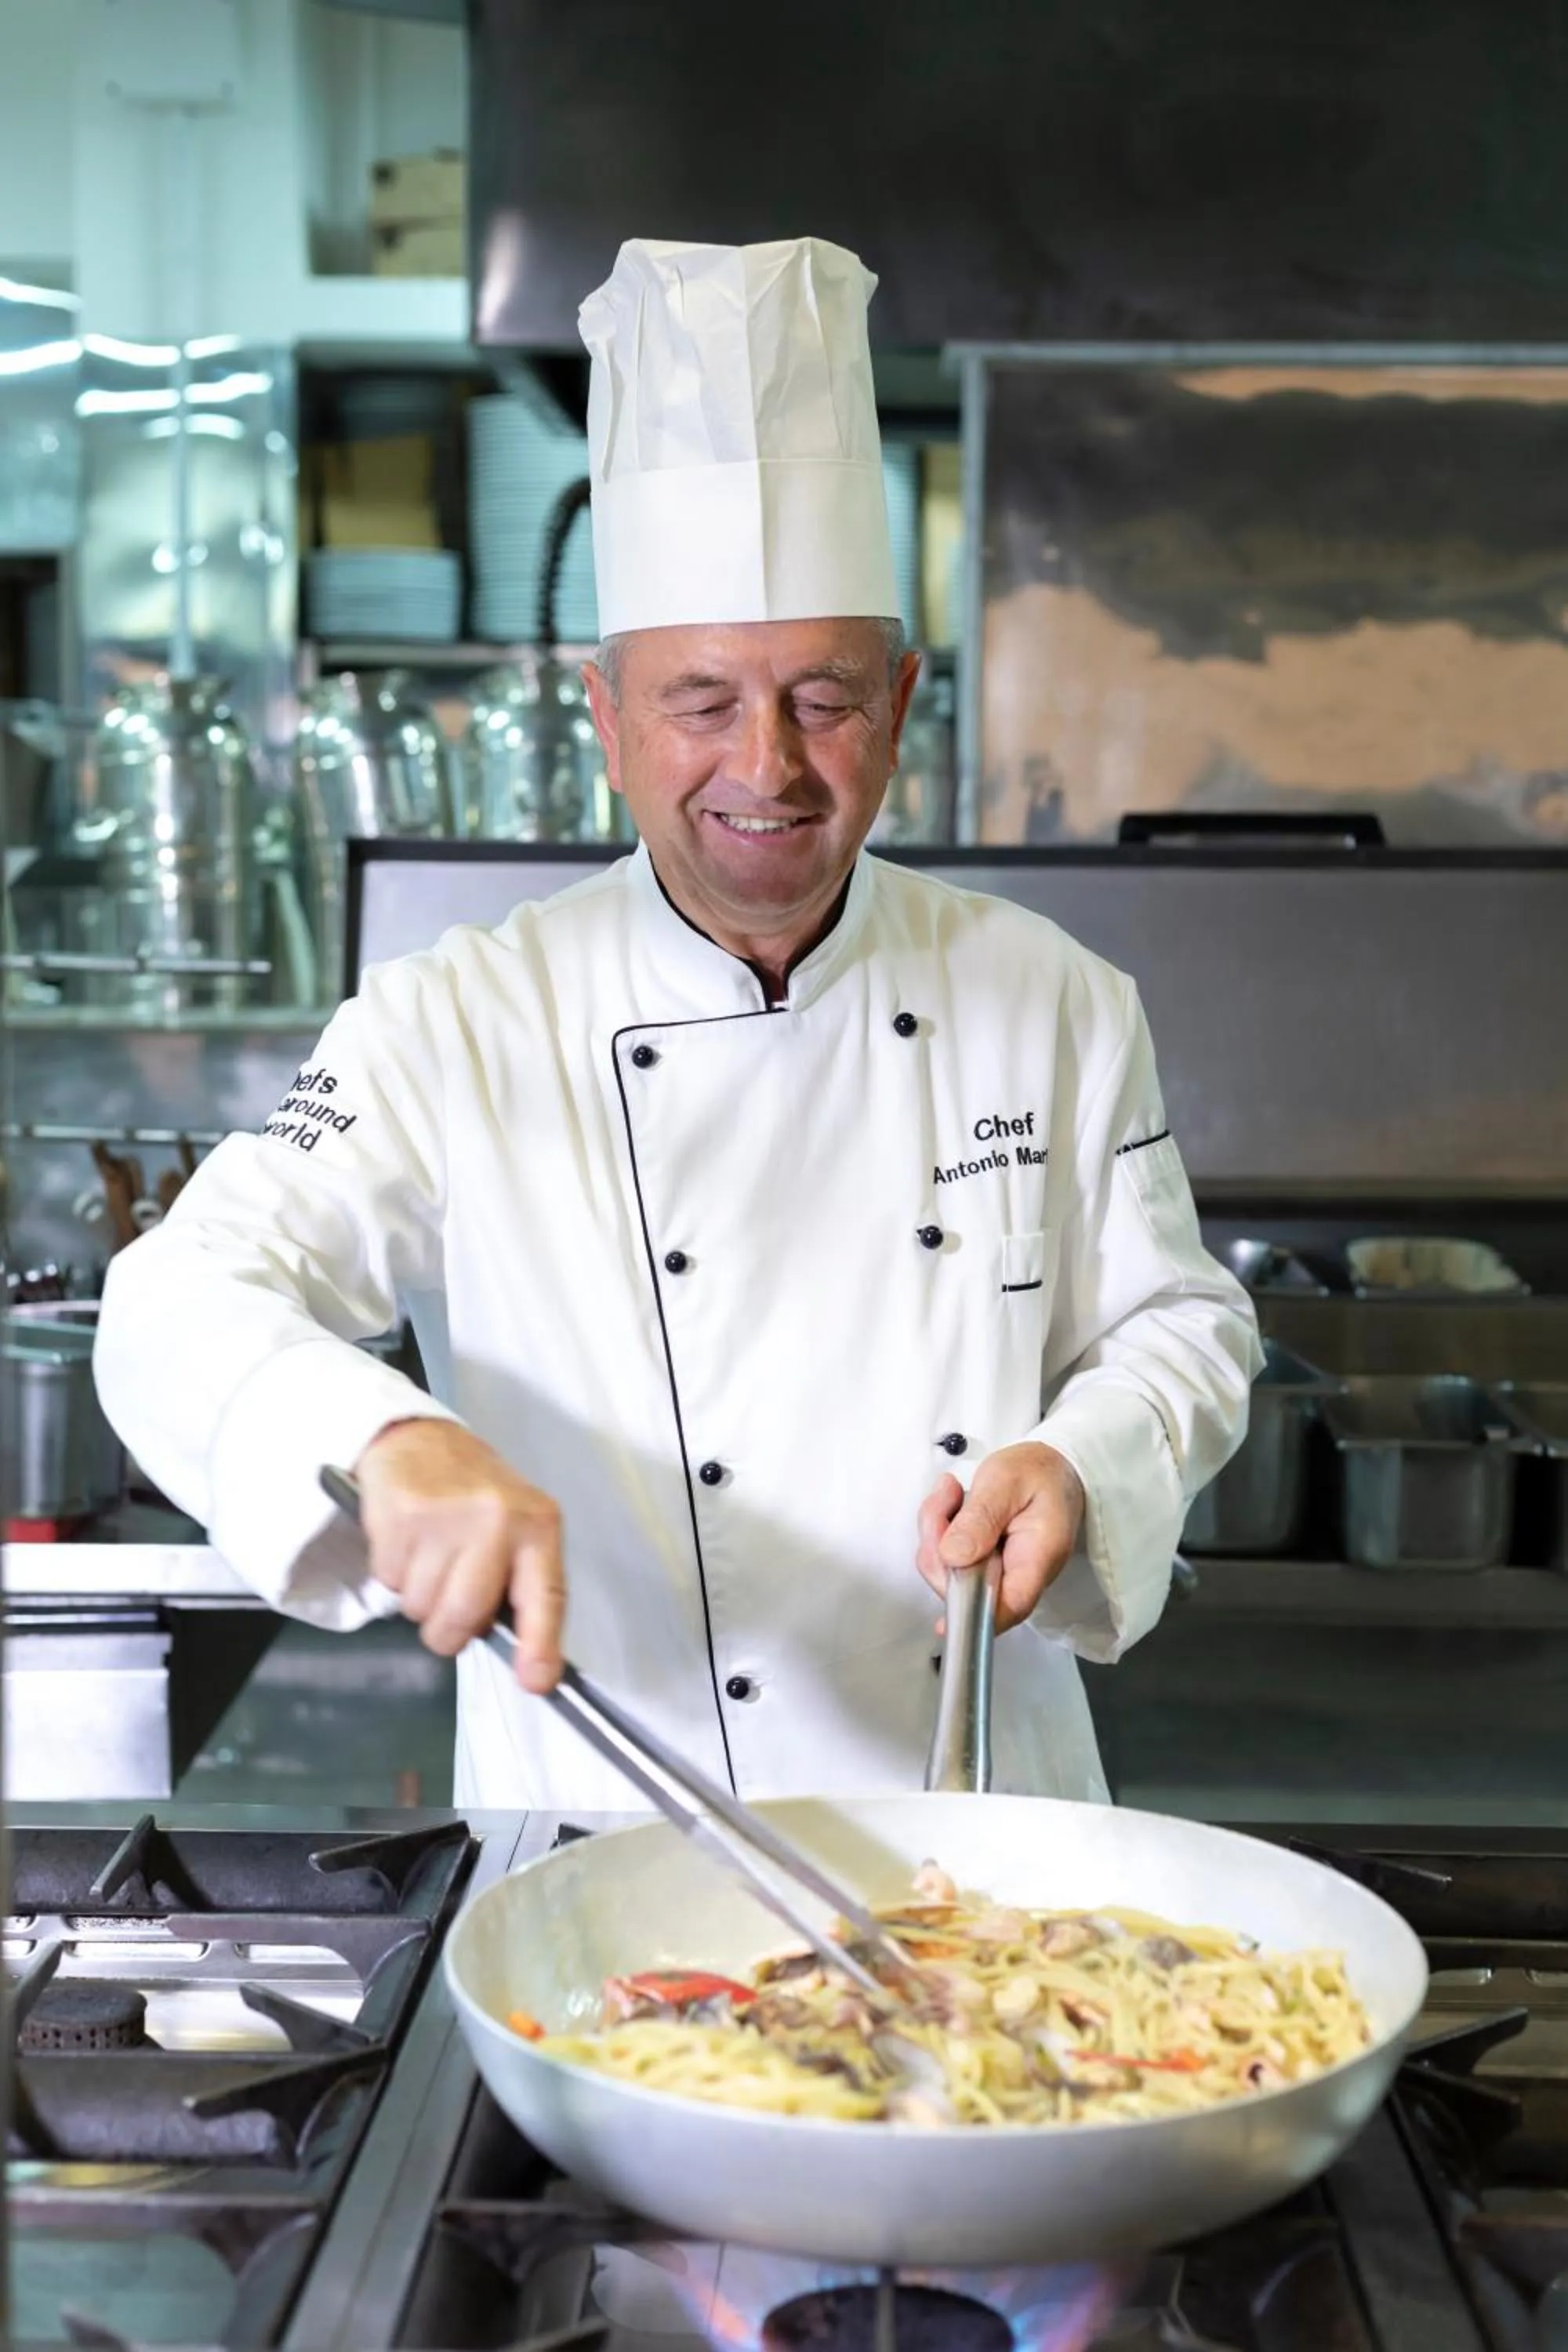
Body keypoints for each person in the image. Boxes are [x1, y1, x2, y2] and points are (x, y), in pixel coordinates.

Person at [95, 235, 1260, 1811]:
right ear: (608, 720)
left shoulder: (1048, 995)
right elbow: (177, 1298)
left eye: (825, 701)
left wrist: (1085, 1461)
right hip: (605, 1828)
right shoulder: (459, 1019)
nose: (767, 767)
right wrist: (382, 1436)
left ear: (903, 705)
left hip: (990, 1827)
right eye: (702, 702)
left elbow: (1179, 1327)